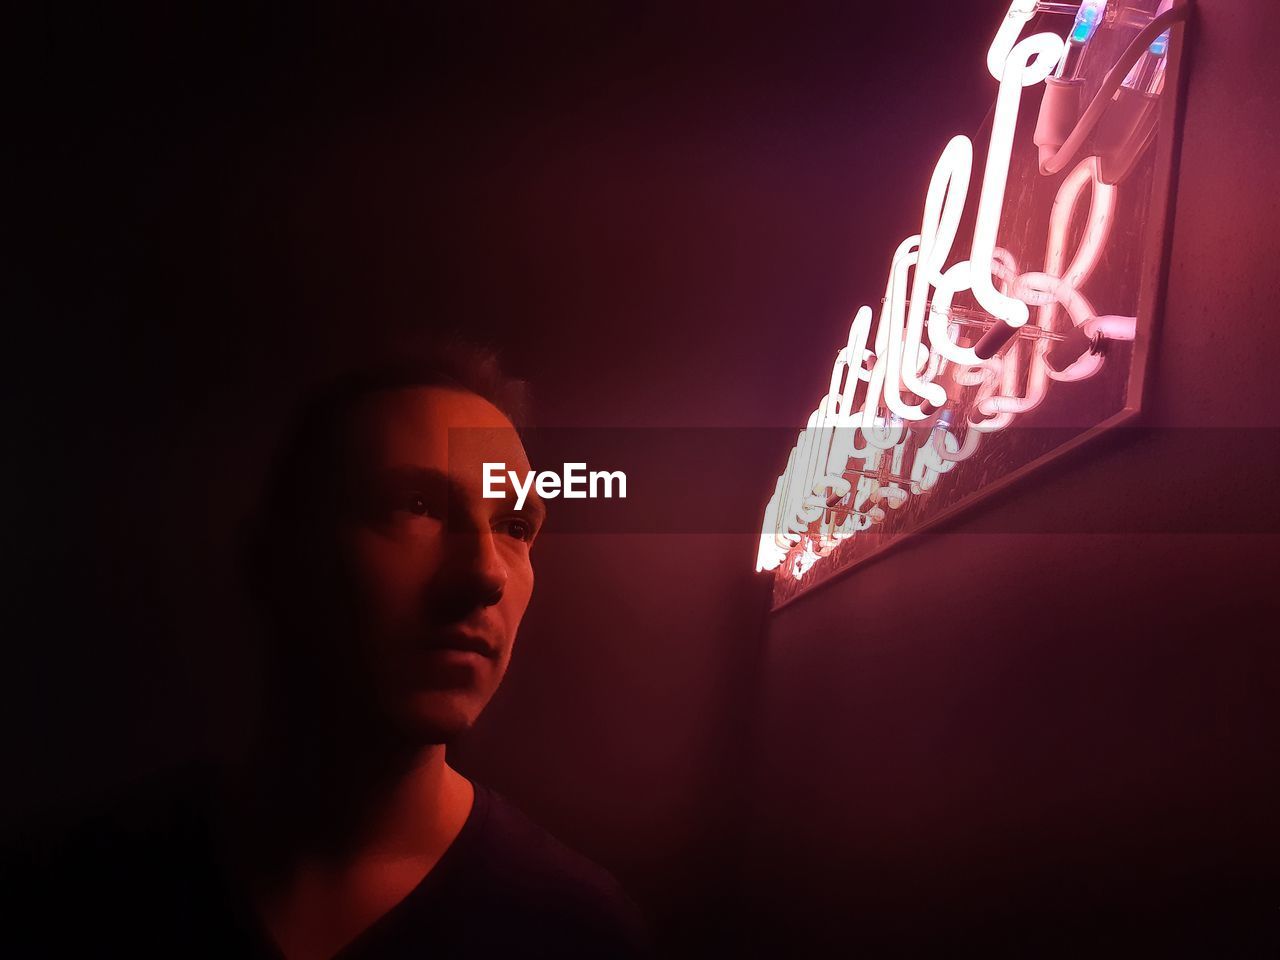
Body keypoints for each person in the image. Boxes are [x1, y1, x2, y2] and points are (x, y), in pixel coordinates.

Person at [10, 342, 650, 959]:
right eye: (416, 505)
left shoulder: (575, 932)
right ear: (273, 560)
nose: (487, 572)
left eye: (514, 526)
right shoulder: (68, 890)